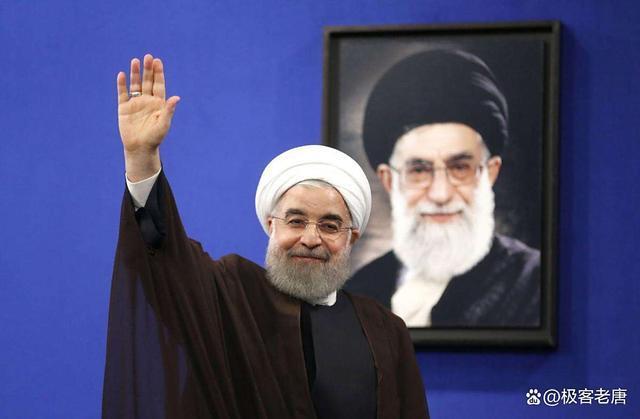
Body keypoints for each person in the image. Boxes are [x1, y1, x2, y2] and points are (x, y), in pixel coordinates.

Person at [102, 54, 429, 418]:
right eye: (296, 221)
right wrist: (142, 158)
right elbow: (166, 258)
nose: (311, 238)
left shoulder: (385, 330)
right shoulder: (230, 294)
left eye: (329, 225)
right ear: (271, 225)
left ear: (352, 237)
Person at [346, 49, 540, 328]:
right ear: (389, 180)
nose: (441, 194)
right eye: (419, 170)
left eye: (460, 168)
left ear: (490, 173)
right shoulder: (358, 293)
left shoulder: (533, 283)